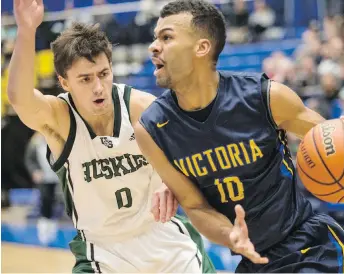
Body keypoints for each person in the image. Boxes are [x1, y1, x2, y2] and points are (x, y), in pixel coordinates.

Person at [135, 0, 344, 273]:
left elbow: (329, 136)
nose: (154, 46)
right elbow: (195, 205)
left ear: (202, 47)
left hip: (309, 247)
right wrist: (230, 236)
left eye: (167, 37)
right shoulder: (152, 129)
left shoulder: (264, 97)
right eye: (155, 38)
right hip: (253, 260)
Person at [7, 0, 216, 272]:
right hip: (103, 252)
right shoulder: (60, 118)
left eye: (103, 74)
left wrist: (174, 179)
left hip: (164, 240)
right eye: (85, 79)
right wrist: (25, 30)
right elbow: (19, 98)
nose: (98, 87)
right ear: (64, 82)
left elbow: (196, 149)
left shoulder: (140, 107)